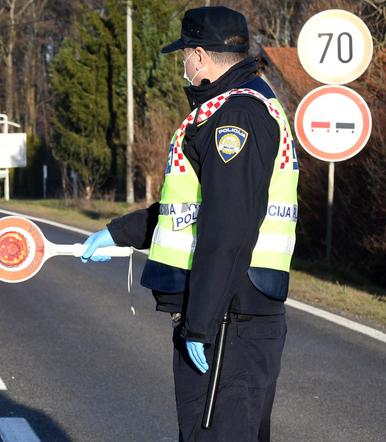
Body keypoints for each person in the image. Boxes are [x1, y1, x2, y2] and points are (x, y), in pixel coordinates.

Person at [81, 6, 299, 441]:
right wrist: (120, 233)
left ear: (200, 55)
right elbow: (192, 209)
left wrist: (199, 323)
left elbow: (228, 227)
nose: (183, 64)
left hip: (228, 319)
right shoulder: (239, 105)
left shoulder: (235, 116)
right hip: (231, 313)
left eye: (185, 55)